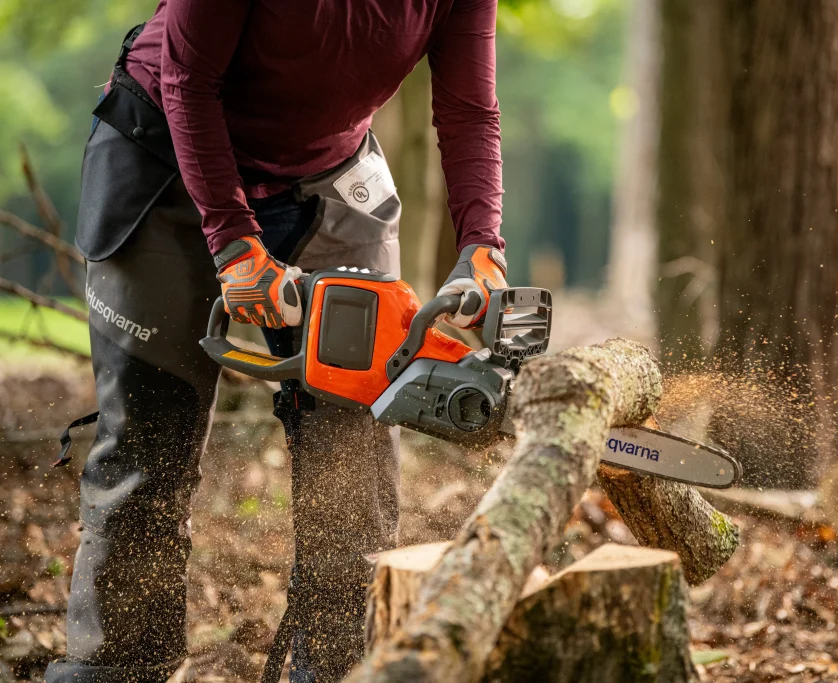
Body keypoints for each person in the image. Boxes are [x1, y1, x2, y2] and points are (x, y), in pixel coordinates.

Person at [46, 2, 508, 682]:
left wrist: (482, 246)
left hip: (329, 175)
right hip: (165, 152)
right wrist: (235, 243)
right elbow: (187, 79)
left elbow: (470, 109)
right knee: (150, 436)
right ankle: (118, 666)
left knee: (353, 434)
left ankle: (338, 667)